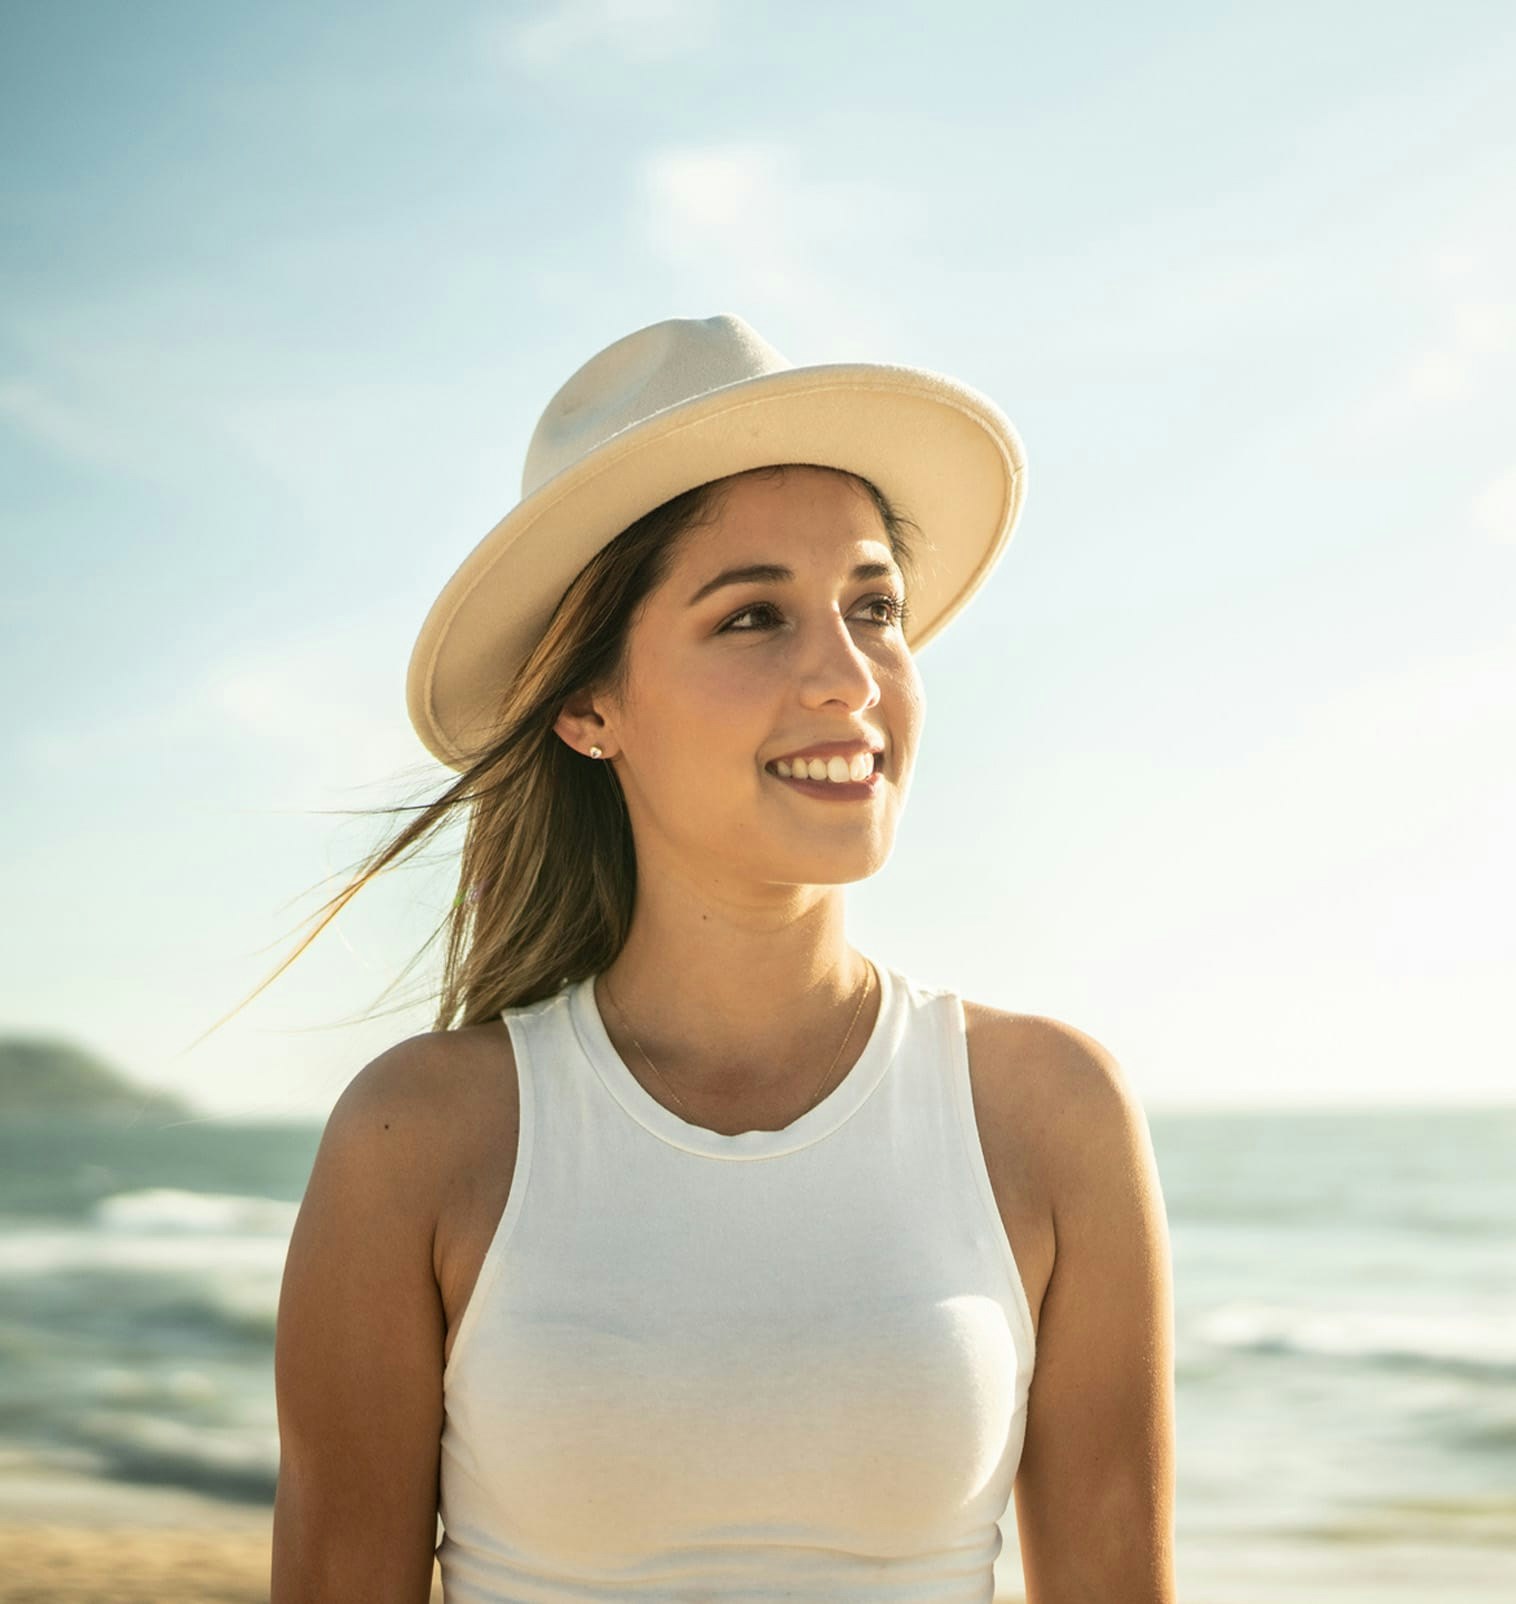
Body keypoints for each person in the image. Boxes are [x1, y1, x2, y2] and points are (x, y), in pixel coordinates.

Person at [269, 313, 1176, 1602]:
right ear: (589, 705)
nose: (849, 677)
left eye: (875, 608)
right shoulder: (419, 1139)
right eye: (755, 616)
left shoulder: (1047, 1110)